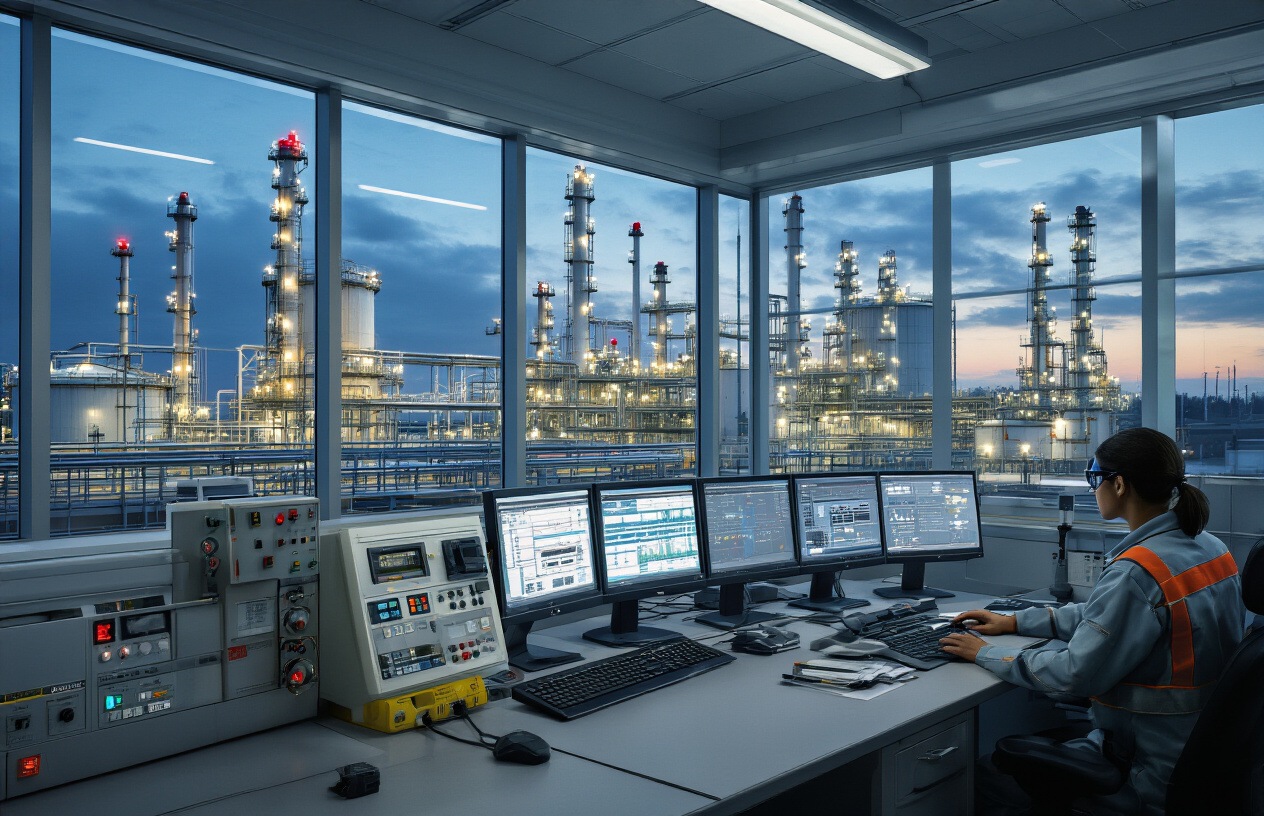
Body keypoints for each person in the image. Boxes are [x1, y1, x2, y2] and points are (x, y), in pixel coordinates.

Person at [940, 427, 1245, 816]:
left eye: (1094, 479)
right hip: (1197, 751)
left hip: (1143, 769)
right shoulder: (1208, 547)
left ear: (1119, 485)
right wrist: (1016, 622)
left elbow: (1075, 674)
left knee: (983, 776)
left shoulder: (1138, 572)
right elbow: (1110, 617)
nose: (1093, 490)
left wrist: (986, 653)